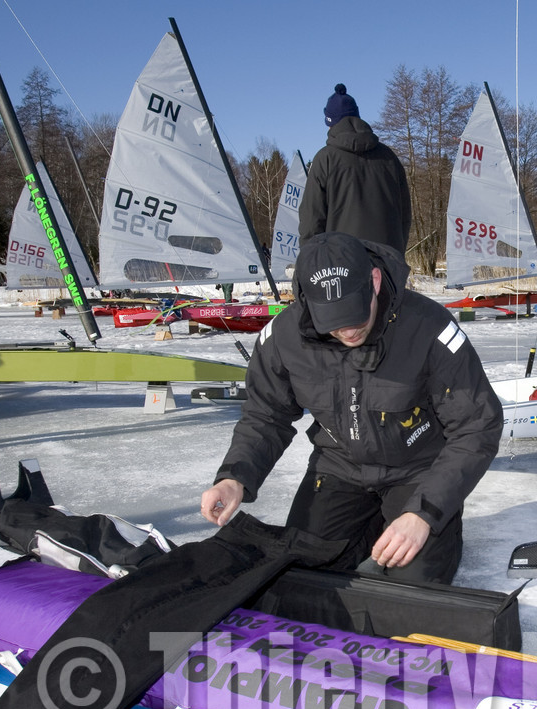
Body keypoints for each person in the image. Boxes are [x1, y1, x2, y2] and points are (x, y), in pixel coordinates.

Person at [200, 232, 502, 584]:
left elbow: (477, 427)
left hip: (418, 471)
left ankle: (410, 520)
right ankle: (371, 524)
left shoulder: (430, 328)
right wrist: (235, 476)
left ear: (373, 281)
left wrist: (424, 514)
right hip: (339, 466)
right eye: (333, 321)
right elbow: (266, 414)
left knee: (413, 587)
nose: (346, 330)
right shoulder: (283, 336)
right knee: (298, 572)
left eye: (354, 315)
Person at [299, 84, 412, 252]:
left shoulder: (325, 159)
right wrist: (396, 257)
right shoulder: (389, 158)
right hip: (387, 265)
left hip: (341, 266)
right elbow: (404, 216)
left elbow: (312, 220)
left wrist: (311, 263)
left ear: (330, 123)